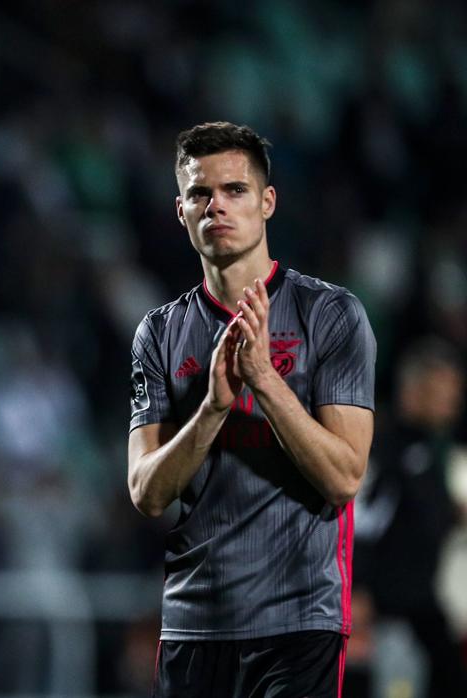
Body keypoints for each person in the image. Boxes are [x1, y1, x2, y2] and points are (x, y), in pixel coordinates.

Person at [127, 122, 376, 697]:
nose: (216, 205)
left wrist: (263, 378)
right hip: (194, 624)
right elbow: (146, 492)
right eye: (199, 194)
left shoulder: (331, 315)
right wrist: (214, 407)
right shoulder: (158, 334)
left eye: (235, 190)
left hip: (298, 625)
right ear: (180, 212)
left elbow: (343, 477)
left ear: (267, 202)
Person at [355, 338, 467, 695]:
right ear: (415, 389)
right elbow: (364, 523)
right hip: (393, 613)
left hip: (424, 606)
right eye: (443, 390)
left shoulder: (427, 449)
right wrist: (358, 589)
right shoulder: (386, 448)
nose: (452, 401)